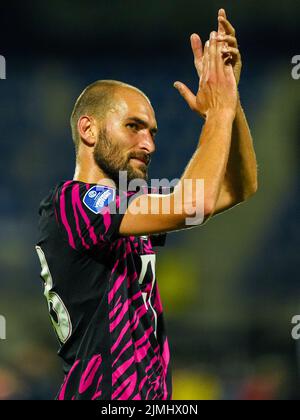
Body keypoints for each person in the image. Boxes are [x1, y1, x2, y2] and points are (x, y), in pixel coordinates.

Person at [35, 9, 257, 400]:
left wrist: (231, 100)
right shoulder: (73, 204)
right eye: (133, 126)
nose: (149, 145)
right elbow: (197, 202)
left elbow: (240, 187)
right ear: (88, 129)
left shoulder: (121, 210)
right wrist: (218, 110)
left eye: (152, 132)